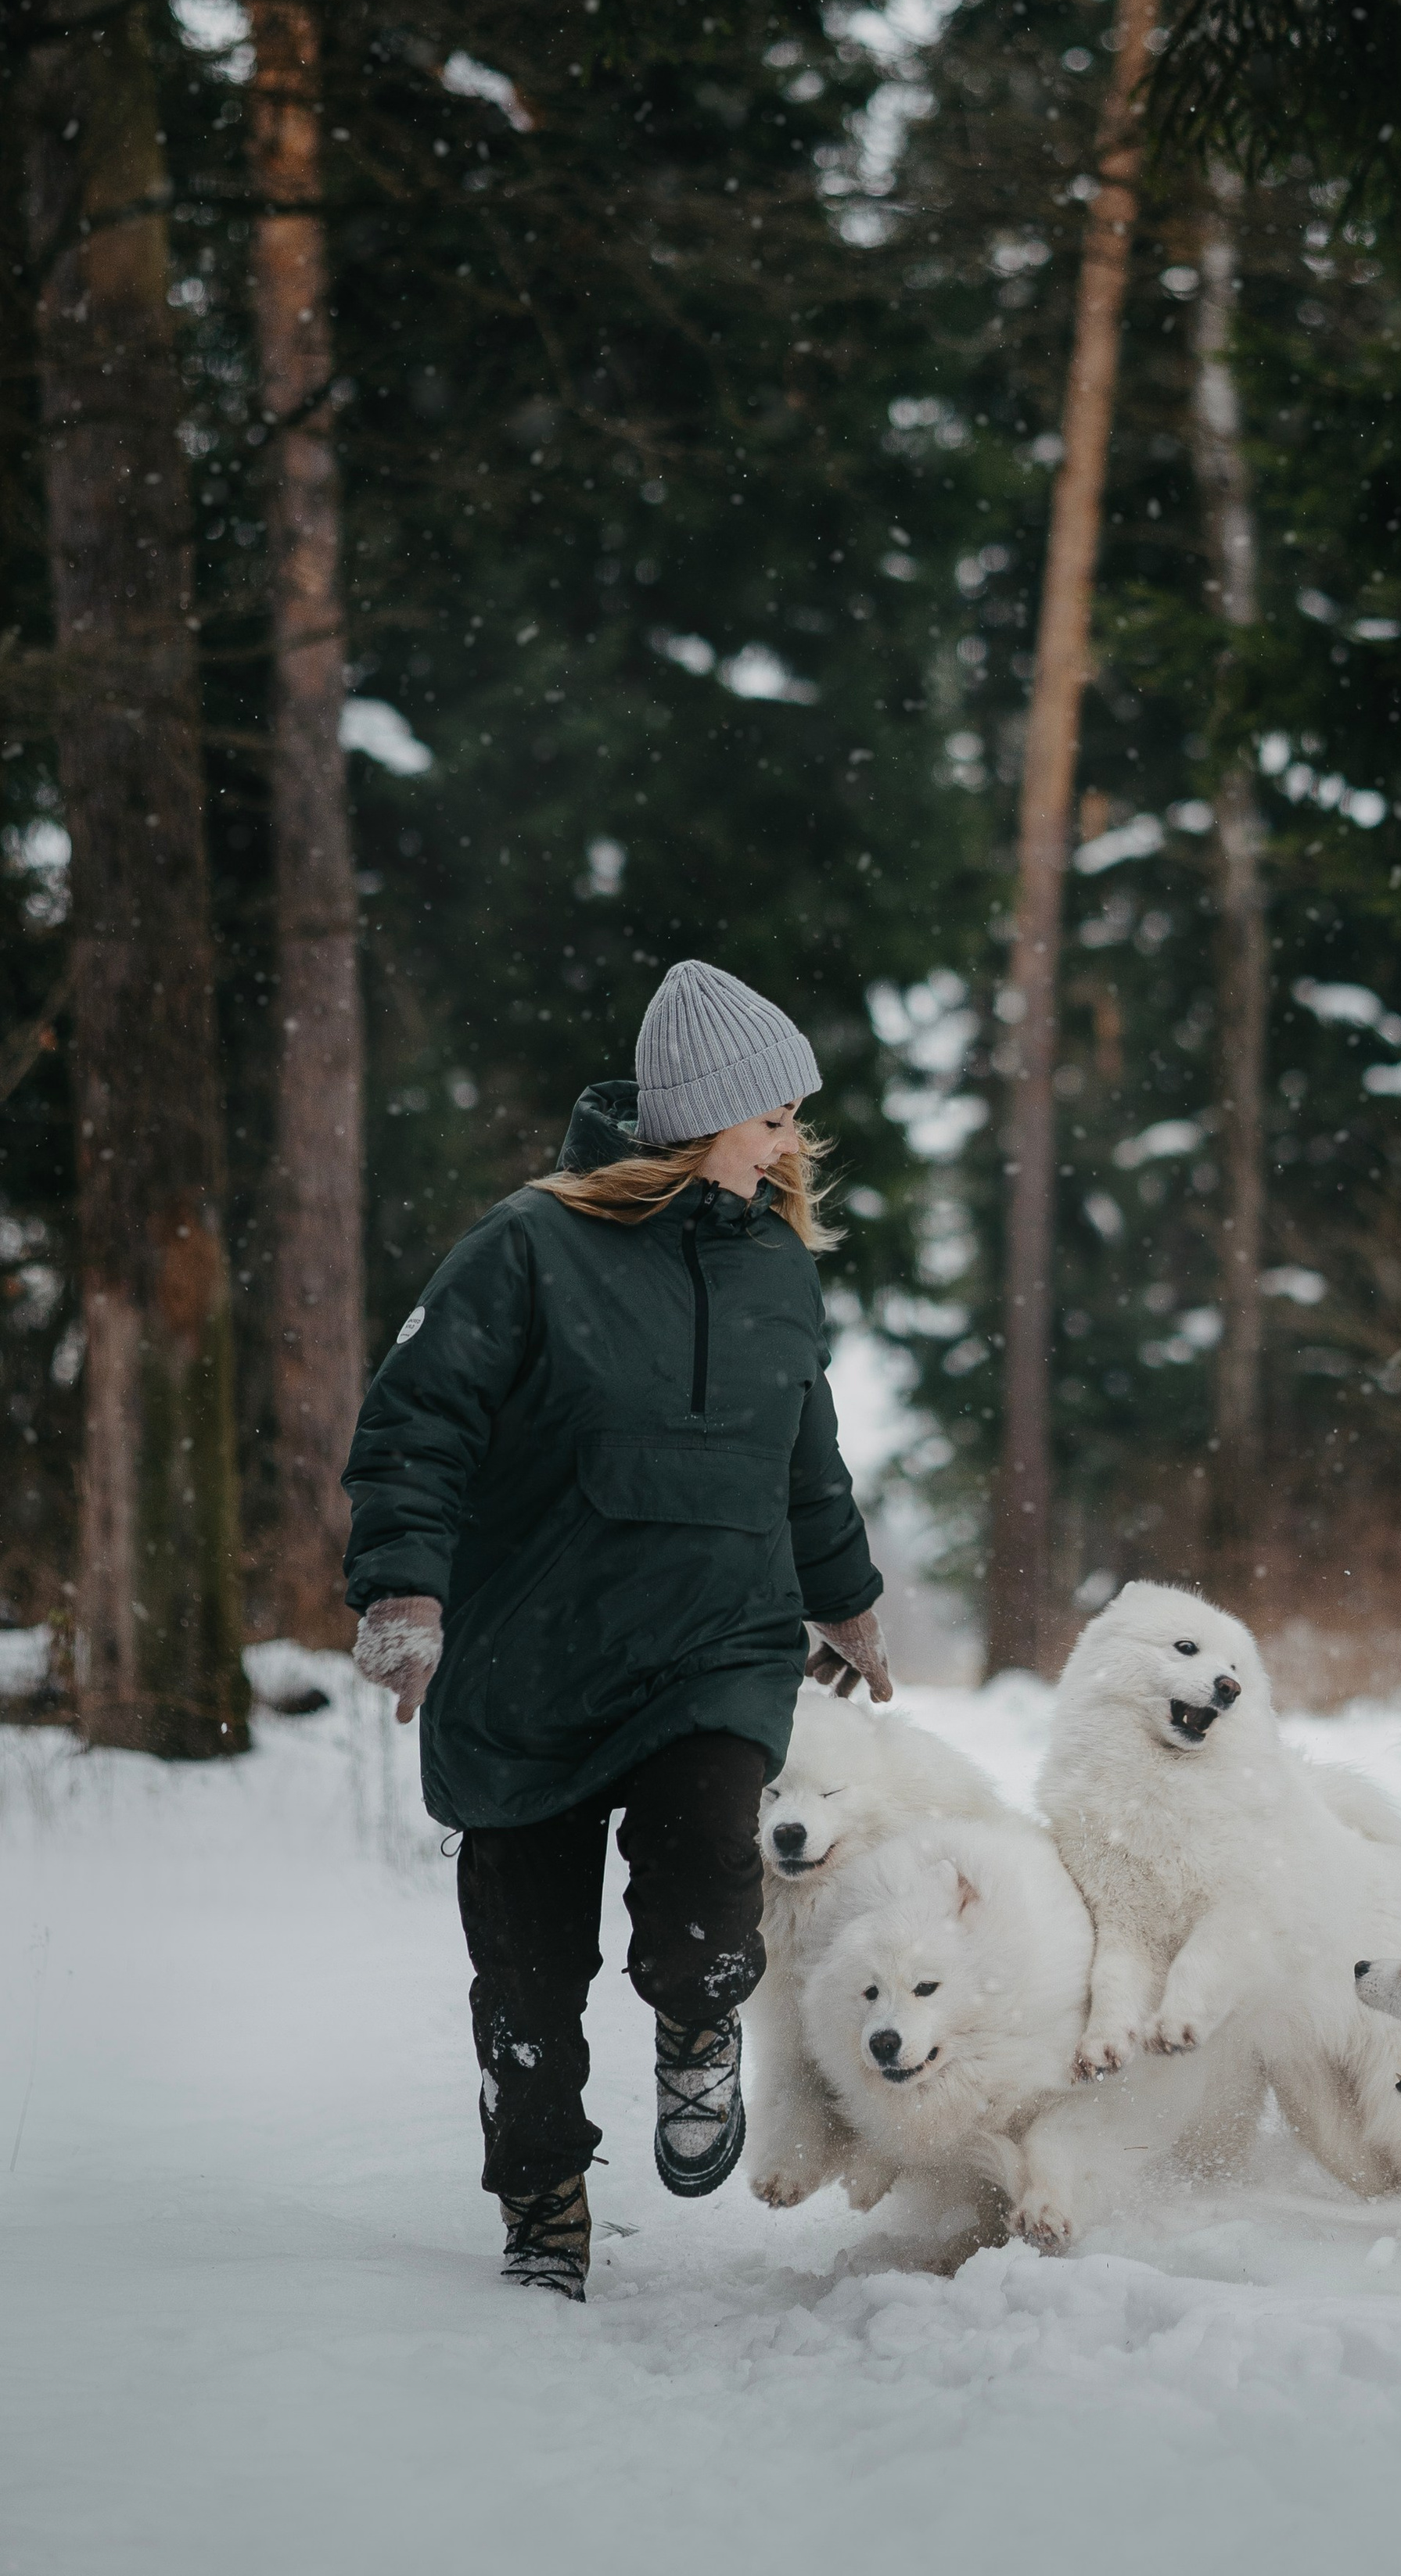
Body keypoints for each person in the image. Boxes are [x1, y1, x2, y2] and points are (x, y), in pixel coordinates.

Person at [343, 960, 893, 2302]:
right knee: (527, 1979)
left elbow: (804, 1454)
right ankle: (542, 2195)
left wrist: (849, 1596)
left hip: (714, 1642)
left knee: (711, 1870)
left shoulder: (775, 1267)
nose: (790, 1145)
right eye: (771, 1118)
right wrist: (405, 1589)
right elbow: (418, 1419)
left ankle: (699, 2024)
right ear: (704, 1116)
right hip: (535, 1655)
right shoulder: (527, 1245)